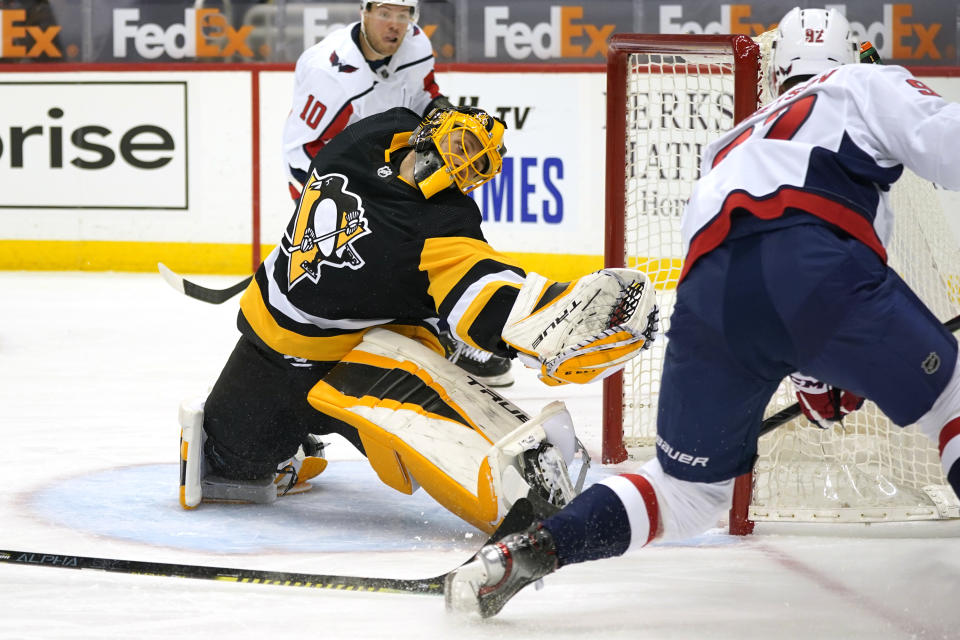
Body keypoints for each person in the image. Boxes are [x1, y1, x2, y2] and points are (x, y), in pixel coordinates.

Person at [445, 6, 960, 618]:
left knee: (686, 490)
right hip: (817, 264)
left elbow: (754, 277)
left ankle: (532, 552)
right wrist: (829, 355)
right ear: (847, 55)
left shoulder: (729, 143)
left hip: (710, 300)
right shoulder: (864, 83)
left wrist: (808, 365)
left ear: (779, 70)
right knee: (951, 401)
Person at [178, 105, 659, 536]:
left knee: (406, 397)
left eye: (479, 166)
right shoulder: (377, 134)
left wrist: (563, 315)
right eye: (463, 145)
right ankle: (290, 439)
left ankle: (520, 479)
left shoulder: (443, 224)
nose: (465, 165)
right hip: (266, 345)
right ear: (431, 129)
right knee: (225, 471)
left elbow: (491, 296)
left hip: (357, 352)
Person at [281, 0, 513, 386]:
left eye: (403, 15)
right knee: (361, 279)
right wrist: (331, 204)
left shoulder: (417, 44)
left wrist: (450, 118)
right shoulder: (329, 73)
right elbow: (303, 151)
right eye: (385, 14)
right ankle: (315, 366)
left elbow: (425, 97)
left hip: (399, 165)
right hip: (337, 183)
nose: (395, 25)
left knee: (430, 245)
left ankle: (443, 335)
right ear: (364, 12)